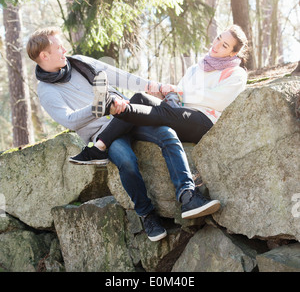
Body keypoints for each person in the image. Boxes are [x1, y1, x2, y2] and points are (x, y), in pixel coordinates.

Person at [26, 27, 221, 242]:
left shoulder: (79, 62)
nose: (64, 49)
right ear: (44, 56)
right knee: (126, 160)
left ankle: (188, 196)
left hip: (127, 115)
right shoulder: (46, 91)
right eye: (58, 47)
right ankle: (147, 214)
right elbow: (69, 120)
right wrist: (101, 107)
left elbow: (119, 76)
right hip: (101, 130)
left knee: (167, 133)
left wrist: (158, 86)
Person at [73, 24, 248, 155]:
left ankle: (111, 106)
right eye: (218, 38)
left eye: (225, 45)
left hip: (205, 122)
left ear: (233, 53)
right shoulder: (197, 67)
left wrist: (179, 93)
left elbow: (218, 100)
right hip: (180, 114)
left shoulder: (236, 73)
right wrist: (164, 94)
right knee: (141, 97)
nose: (216, 45)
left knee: (160, 112)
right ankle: (99, 146)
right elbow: (179, 97)